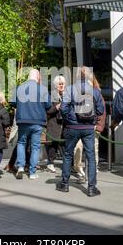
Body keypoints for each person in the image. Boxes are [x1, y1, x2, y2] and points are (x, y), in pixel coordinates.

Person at [56, 67, 104, 197]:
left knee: (68, 154)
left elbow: (64, 109)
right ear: (88, 76)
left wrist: (69, 120)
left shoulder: (70, 89)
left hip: (73, 127)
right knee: (91, 157)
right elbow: (100, 110)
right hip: (88, 128)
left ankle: (65, 184)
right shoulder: (95, 91)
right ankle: (91, 188)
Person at [11, 69, 51, 180]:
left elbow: (13, 103)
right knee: (35, 147)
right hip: (37, 121)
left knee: (21, 143)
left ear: (28, 76)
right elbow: (48, 105)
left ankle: (20, 167)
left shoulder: (19, 88)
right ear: (38, 77)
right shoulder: (42, 89)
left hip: (23, 120)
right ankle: (32, 173)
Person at [73, 74, 106, 178]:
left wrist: (99, 126)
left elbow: (102, 111)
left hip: (92, 126)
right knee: (77, 148)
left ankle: (93, 169)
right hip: (78, 126)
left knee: (93, 149)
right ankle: (78, 168)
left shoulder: (97, 93)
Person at [45, 75, 66, 173]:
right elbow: (47, 111)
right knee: (53, 145)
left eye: (62, 84)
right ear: (55, 86)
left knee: (66, 144)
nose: (61, 86)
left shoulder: (66, 96)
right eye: (59, 84)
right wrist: (56, 108)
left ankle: (68, 165)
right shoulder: (51, 96)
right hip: (54, 123)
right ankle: (50, 163)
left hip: (65, 123)